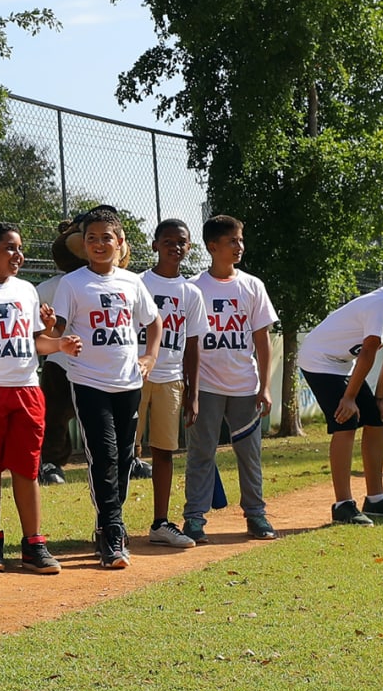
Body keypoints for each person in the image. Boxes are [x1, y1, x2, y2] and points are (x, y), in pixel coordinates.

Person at [50, 208, 162, 568]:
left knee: (125, 458)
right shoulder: (73, 283)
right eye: (92, 239)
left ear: (120, 243)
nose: (99, 244)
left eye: (106, 238)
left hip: (128, 382)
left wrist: (150, 358)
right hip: (89, 382)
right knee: (105, 454)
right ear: (84, 245)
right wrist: (52, 329)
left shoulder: (131, 282)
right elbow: (58, 331)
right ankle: (112, 530)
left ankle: (108, 519)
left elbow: (154, 321)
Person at [0, 223, 78, 574]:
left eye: (20, 249)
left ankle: (34, 543)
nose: (19, 255)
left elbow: (37, 343)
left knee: (27, 468)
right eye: (10, 248)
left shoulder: (27, 290)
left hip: (26, 389)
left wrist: (58, 343)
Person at [297, 259, 383, 525]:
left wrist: (380, 397)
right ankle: (343, 505)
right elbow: (369, 350)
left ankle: (376, 499)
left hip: (343, 364)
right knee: (345, 420)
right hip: (320, 359)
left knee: (377, 417)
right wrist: (348, 398)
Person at [181, 215, 278, 543]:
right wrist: (190, 389)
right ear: (212, 247)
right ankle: (194, 519)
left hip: (244, 387)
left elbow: (263, 340)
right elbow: (187, 342)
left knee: (249, 454)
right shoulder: (193, 287)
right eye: (232, 241)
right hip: (206, 387)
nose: (239, 246)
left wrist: (265, 386)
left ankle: (256, 515)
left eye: (240, 240)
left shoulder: (252, 285)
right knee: (201, 453)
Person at [138, 219, 203, 548]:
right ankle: (110, 524)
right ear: (155, 245)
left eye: (181, 242)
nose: (174, 247)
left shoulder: (191, 293)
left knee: (164, 453)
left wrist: (193, 393)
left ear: (189, 248)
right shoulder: (137, 284)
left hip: (172, 379)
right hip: (133, 376)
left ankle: (160, 523)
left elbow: (192, 346)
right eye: (168, 241)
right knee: (122, 453)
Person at [33, 219, 88, 486]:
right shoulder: (51, 286)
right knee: (54, 416)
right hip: (60, 363)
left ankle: (122, 459)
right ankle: (51, 462)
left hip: (99, 363)